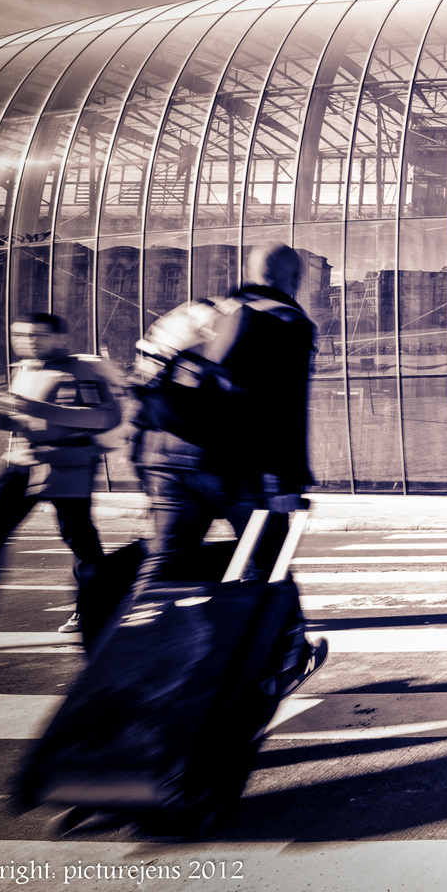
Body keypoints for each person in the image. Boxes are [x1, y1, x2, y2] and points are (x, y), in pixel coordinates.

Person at [131, 243, 325, 678]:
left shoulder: (200, 311)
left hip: (166, 459)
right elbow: (286, 408)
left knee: (165, 564)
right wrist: (285, 483)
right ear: (295, 279)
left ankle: (131, 663)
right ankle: (284, 654)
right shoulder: (287, 320)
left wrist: (146, 470)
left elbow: (146, 388)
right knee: (266, 564)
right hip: (237, 468)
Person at [0, 314, 118, 646]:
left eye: (39, 335)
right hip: (22, 465)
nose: (29, 341)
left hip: (66, 468)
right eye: (21, 335)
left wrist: (34, 409)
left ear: (60, 338)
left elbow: (103, 417)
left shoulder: (79, 371)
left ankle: (93, 609)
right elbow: (33, 419)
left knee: (82, 545)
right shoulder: (25, 368)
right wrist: (9, 421)